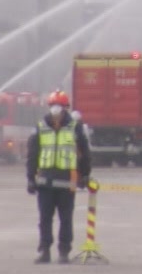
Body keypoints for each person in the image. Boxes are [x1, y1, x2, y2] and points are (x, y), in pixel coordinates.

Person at [26, 90, 92, 263]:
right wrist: (30, 179)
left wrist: (84, 175)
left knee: (66, 219)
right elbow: (32, 154)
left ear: (65, 108)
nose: (56, 110)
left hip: (66, 183)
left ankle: (64, 251)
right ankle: (45, 250)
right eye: (53, 106)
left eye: (59, 106)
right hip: (45, 182)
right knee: (44, 219)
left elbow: (84, 153)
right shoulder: (41, 127)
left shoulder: (75, 127)